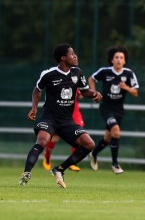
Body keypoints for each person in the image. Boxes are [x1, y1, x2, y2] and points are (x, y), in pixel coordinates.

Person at [19, 43, 103, 188]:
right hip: (50, 119)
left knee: (89, 144)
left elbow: (84, 92)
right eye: (71, 54)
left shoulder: (77, 73)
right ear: (63, 58)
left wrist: (95, 93)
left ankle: (59, 169)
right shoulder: (48, 74)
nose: (75, 56)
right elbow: (37, 90)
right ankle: (26, 173)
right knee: (42, 142)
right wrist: (34, 108)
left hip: (67, 121)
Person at [88, 45, 139, 174]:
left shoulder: (128, 73)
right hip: (106, 107)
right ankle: (115, 164)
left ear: (125, 60)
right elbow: (91, 79)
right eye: (116, 57)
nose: (118, 60)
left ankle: (94, 153)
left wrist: (126, 87)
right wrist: (94, 93)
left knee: (108, 137)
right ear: (112, 60)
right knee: (116, 131)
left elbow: (135, 92)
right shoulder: (105, 71)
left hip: (119, 109)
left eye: (121, 57)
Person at [42, 89, 85, 172]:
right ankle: (47, 156)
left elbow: (81, 94)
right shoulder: (55, 81)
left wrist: (81, 92)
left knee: (79, 135)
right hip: (60, 113)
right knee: (55, 138)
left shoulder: (75, 79)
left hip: (74, 113)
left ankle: (73, 162)